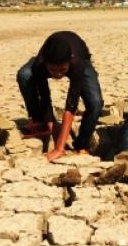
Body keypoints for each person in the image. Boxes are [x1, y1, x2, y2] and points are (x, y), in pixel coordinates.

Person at [16, 31, 103, 162]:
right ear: (45, 64)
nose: (58, 75)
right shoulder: (40, 64)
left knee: (95, 102)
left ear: (69, 61)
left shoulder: (77, 63)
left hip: (81, 58)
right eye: (52, 70)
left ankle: (81, 145)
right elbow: (45, 98)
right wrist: (52, 131)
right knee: (24, 75)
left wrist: (59, 148)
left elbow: (71, 104)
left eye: (62, 70)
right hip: (47, 60)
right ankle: (39, 122)